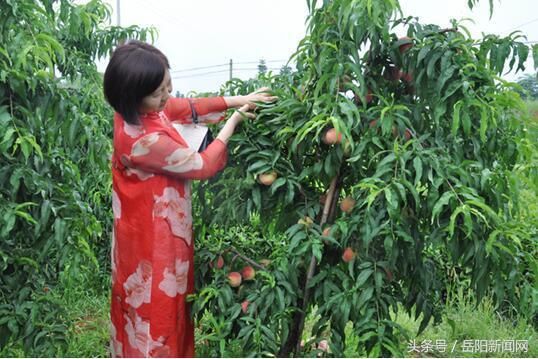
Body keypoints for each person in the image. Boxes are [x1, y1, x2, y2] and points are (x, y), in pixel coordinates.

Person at [103, 40, 276, 357]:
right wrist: (233, 121)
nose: (166, 96)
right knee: (156, 308)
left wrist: (239, 98)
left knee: (157, 305)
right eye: (158, 92)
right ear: (133, 97)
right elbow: (201, 165)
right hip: (154, 239)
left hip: (144, 227)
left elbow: (184, 107)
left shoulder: (142, 109)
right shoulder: (142, 139)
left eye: (168, 85)